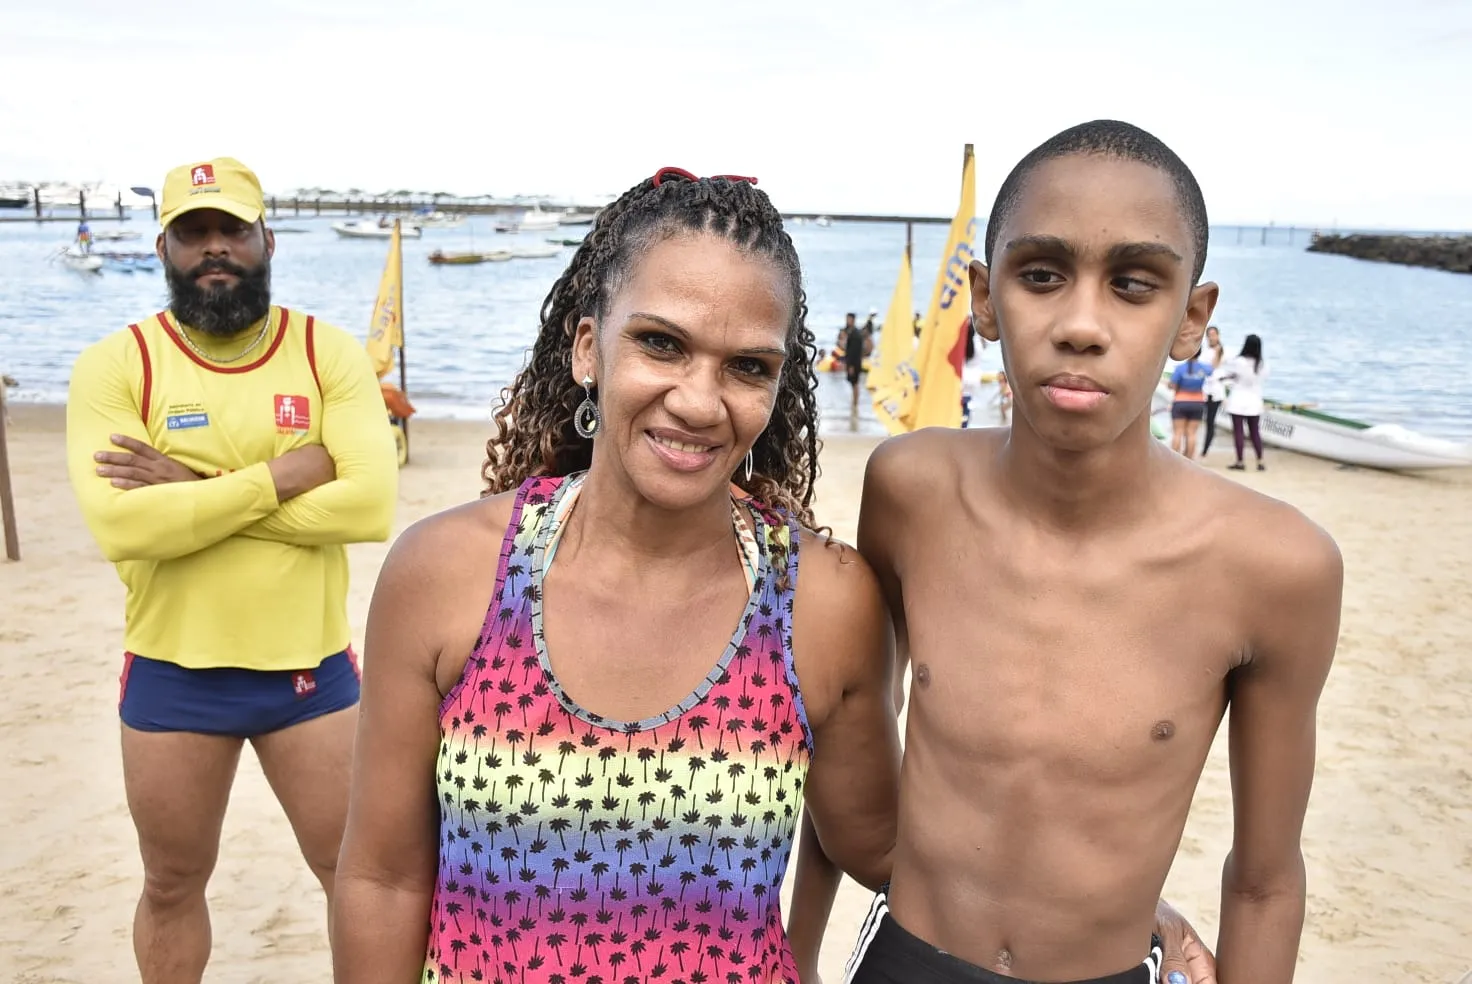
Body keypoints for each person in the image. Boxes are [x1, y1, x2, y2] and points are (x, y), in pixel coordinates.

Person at [330, 167, 904, 984]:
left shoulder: (822, 603)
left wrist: (1104, 901)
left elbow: (881, 850)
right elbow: (381, 880)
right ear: (588, 347)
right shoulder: (447, 575)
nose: (701, 402)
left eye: (747, 367)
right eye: (662, 344)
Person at [837, 120, 1342, 984]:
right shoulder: (909, 490)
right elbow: (854, 728)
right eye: (1041, 275)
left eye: (1133, 285)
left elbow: (1263, 882)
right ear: (984, 301)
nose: (1080, 324)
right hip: (903, 960)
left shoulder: (1278, 567)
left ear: (1192, 317)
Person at [64, 156, 399, 984]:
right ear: (164, 248)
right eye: (193, 233)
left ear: (266, 239)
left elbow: (368, 509)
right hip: (175, 672)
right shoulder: (119, 364)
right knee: (172, 883)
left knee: (352, 878)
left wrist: (191, 488)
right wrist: (285, 473)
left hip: (308, 673)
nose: (215, 248)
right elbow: (122, 526)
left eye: (231, 230)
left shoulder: (327, 353)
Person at [1215, 334, 1268, 471]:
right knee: (1255, 432)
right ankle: (1260, 461)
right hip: (1255, 401)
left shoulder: (1239, 361)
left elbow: (1226, 372)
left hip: (1238, 400)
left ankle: (1240, 461)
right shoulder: (1262, 365)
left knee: (1238, 431)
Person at [1167, 348, 1212, 459]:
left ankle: (1173, 460)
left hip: (1181, 401)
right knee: (1191, 433)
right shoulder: (1204, 368)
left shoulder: (1180, 368)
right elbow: (1213, 374)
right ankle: (1189, 460)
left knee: (1178, 433)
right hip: (1198, 403)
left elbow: (1172, 385)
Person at [1199, 325, 1226, 456]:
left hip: (1215, 391)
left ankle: (1205, 450)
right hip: (1203, 389)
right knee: (1199, 419)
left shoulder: (1221, 351)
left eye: (1214, 334)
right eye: (1209, 335)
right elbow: (1203, 369)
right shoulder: (1204, 350)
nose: (1211, 337)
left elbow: (1214, 368)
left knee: (1210, 420)